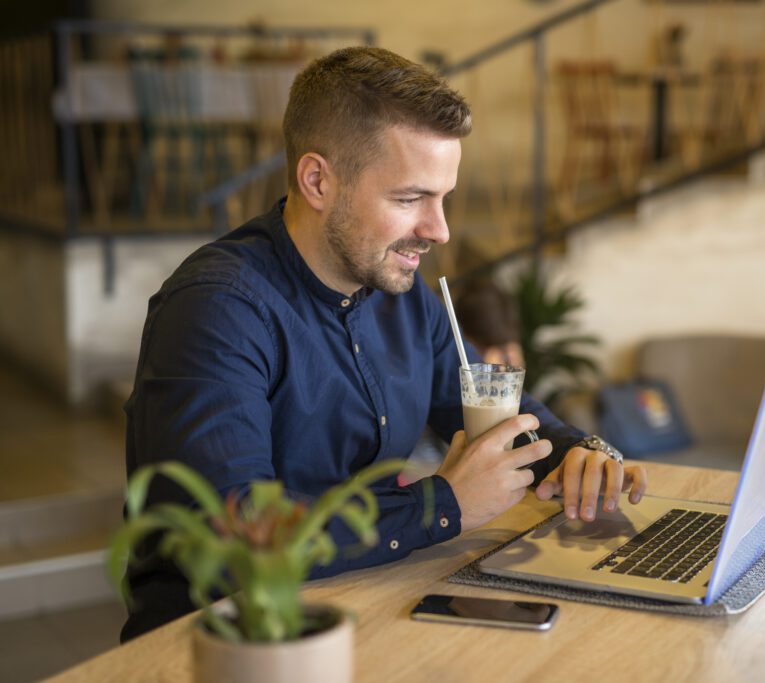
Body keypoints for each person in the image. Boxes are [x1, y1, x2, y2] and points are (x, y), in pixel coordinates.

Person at [121, 46, 647, 641]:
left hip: (367, 603)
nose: (438, 230)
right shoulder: (216, 307)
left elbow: (491, 410)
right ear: (317, 180)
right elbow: (232, 533)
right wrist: (443, 505)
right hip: (228, 640)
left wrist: (579, 452)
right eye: (409, 199)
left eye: (443, 198)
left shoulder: (403, 292)